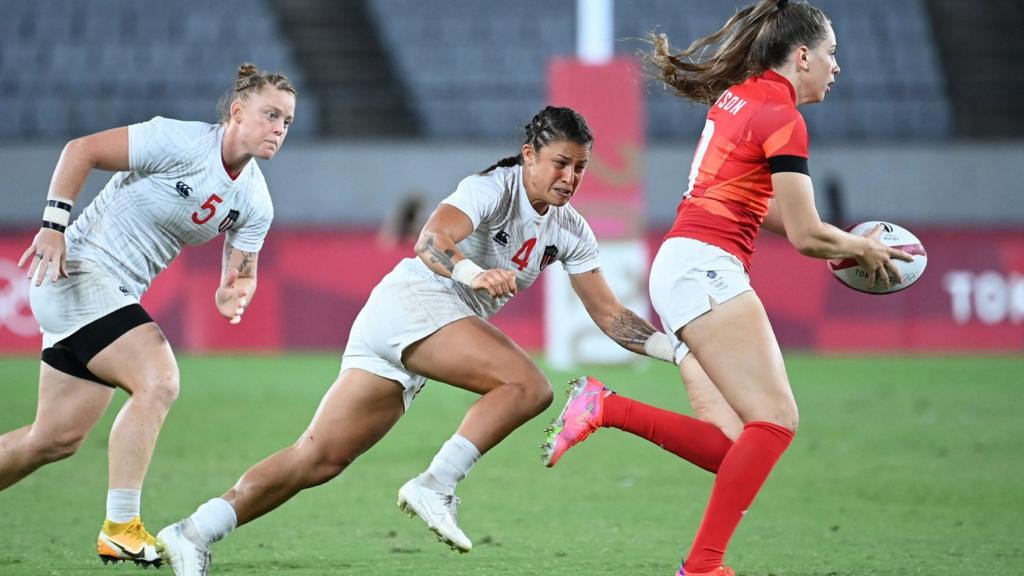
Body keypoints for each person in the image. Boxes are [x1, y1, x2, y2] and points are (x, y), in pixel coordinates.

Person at [155, 105, 677, 575]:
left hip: (405, 327)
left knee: (316, 459)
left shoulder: (571, 229)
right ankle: (436, 484)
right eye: (560, 163)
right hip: (415, 304)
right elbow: (431, 239)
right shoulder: (494, 187)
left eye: (580, 167)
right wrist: (472, 274)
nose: (570, 177)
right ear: (529, 155)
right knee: (527, 387)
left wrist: (672, 350)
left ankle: (194, 531)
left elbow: (610, 316)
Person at [540, 2, 915, 575]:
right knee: (776, 420)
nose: (836, 68)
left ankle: (605, 407)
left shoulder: (740, 98)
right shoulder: (783, 118)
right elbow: (808, 237)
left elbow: (766, 212)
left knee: (737, 444)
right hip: (704, 267)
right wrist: (860, 246)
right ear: (803, 55)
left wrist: (841, 240)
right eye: (832, 54)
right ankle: (704, 566)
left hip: (685, 262)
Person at [0, 63, 296, 568]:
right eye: (270, 115)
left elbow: (241, 268)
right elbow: (82, 150)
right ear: (237, 111)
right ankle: (121, 526)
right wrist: (53, 225)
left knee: (53, 439)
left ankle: (117, 524)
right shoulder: (178, 142)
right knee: (159, 380)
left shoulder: (255, 200)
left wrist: (234, 289)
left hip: (101, 294)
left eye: (287, 122)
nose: (278, 129)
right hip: (78, 268)